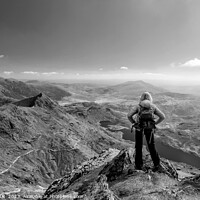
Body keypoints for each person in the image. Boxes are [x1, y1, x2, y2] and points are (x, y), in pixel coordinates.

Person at [127, 92, 165, 171]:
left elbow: (129, 115)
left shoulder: (139, 106)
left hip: (139, 128)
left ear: (141, 98)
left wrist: (134, 123)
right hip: (149, 128)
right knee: (151, 146)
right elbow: (162, 116)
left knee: (138, 146)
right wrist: (155, 123)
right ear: (150, 98)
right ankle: (157, 164)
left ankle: (138, 166)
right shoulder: (153, 106)